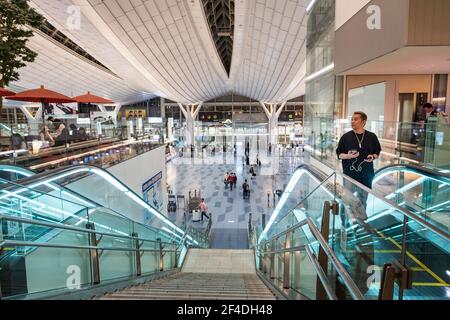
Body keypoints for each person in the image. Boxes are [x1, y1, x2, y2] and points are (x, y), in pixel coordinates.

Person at [336, 112, 381, 209]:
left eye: (356, 119)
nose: (352, 121)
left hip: (366, 176)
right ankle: (346, 222)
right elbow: (339, 154)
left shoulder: (371, 137)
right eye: (352, 119)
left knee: (363, 201)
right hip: (349, 176)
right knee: (347, 201)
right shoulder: (345, 137)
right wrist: (348, 156)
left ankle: (361, 222)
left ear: (363, 122)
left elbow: (377, 152)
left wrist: (373, 156)